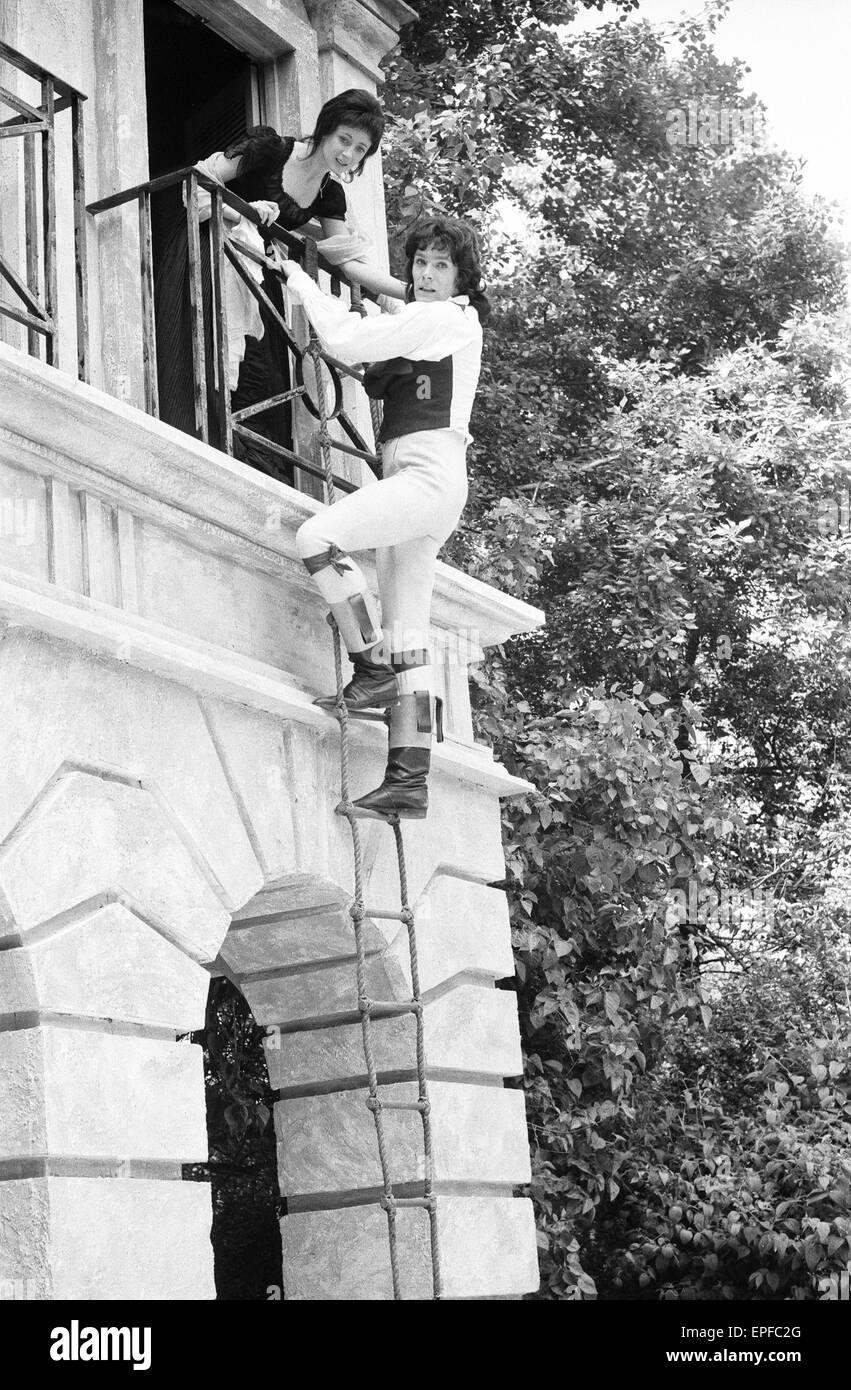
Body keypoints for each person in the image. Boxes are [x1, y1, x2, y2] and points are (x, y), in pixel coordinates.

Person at [278, 216, 490, 820]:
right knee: (411, 639)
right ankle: (409, 781)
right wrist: (337, 262)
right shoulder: (434, 317)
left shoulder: (446, 318)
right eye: (420, 261)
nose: (426, 274)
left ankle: (367, 664)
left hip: (426, 473)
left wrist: (299, 277)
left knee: (317, 537)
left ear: (460, 277)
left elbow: (345, 341)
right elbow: (385, 301)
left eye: (440, 265)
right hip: (424, 482)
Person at [153, 90, 404, 475]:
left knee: (261, 372)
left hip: (258, 273)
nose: (348, 155)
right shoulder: (270, 148)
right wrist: (244, 212)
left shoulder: (329, 193)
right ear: (325, 129)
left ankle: (237, 460)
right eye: (344, 140)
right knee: (203, 351)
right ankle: (187, 444)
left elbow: (348, 264)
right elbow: (199, 181)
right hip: (211, 252)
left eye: (360, 149)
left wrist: (404, 293)